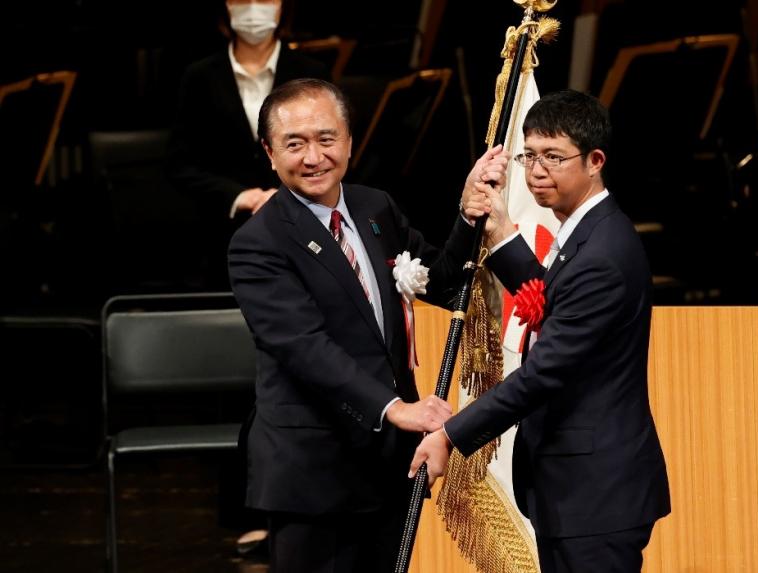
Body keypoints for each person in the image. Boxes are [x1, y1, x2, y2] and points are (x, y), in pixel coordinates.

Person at [228, 78, 508, 572]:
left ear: (350, 142)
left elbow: (438, 283)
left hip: (388, 461)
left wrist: (467, 216)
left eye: (326, 139)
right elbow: (303, 346)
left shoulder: (375, 206)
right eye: (295, 144)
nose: (313, 156)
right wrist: (396, 408)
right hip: (313, 468)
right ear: (270, 154)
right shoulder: (259, 242)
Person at [411, 89, 671, 573]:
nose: (535, 171)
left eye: (554, 157)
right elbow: (552, 301)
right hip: (579, 488)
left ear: (595, 161)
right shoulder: (586, 230)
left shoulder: (603, 255)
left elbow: (543, 373)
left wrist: (449, 435)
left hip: (596, 494)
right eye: (529, 156)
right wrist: (503, 235)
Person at [167, 0, 330, 289]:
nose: (254, 7)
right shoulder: (198, 76)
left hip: (301, 230)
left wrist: (285, 196)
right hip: (220, 234)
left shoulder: (312, 74)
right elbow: (179, 164)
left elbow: (331, 154)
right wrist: (241, 196)